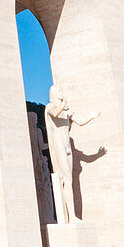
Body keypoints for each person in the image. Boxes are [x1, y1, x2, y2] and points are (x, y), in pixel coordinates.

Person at [45, 85, 99, 224]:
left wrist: (91, 117)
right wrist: (63, 103)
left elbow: (80, 122)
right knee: (66, 179)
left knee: (70, 180)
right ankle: (71, 217)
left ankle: (72, 216)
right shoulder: (50, 107)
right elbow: (55, 113)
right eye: (60, 92)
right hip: (58, 146)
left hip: (67, 145)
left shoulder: (66, 111)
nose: (62, 93)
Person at [27, 109, 55, 224]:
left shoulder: (29, 132)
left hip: (35, 160)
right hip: (39, 161)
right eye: (35, 119)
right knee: (43, 187)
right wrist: (53, 142)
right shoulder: (37, 131)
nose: (36, 121)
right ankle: (46, 217)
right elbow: (42, 146)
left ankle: (44, 218)